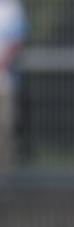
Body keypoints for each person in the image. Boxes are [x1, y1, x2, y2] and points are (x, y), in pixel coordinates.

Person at [0, 0, 26, 168]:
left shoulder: (12, 7)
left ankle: (6, 183)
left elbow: (16, 40)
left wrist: (1, 64)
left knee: (5, 135)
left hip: (5, 84)